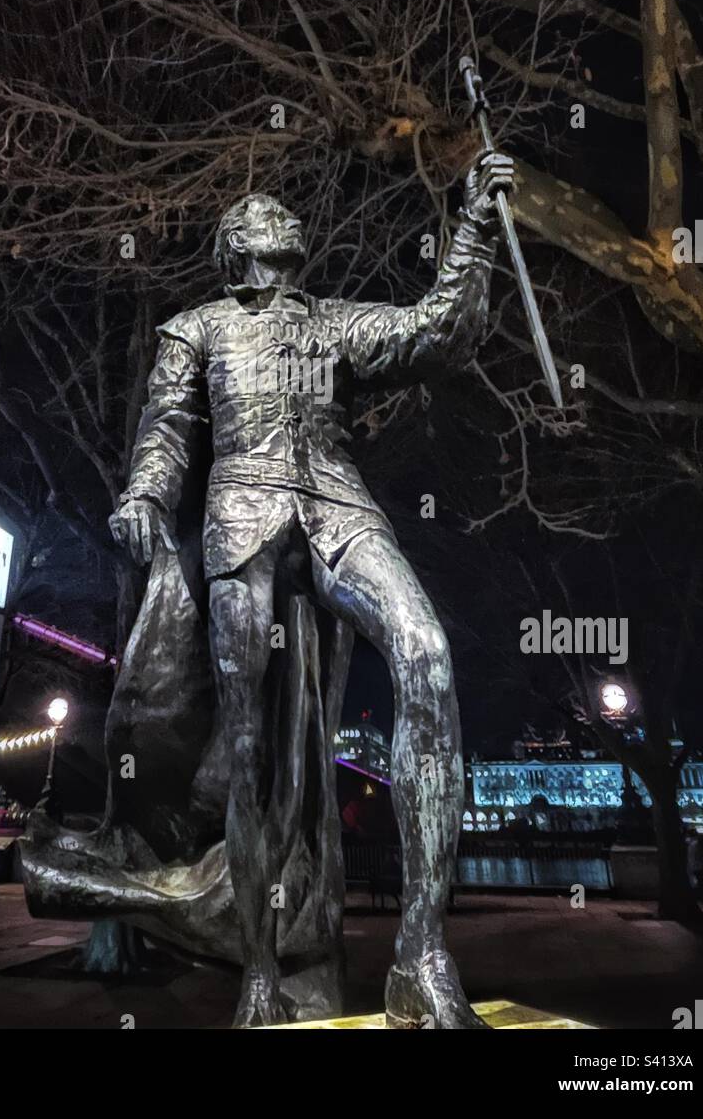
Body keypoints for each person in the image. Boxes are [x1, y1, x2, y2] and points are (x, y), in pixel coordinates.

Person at [110, 150, 512, 1027]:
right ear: (235, 248)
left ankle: (421, 956)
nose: (283, 215)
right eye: (261, 212)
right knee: (248, 747)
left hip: (336, 504)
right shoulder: (198, 327)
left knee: (428, 654)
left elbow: (436, 331)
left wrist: (475, 225)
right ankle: (258, 969)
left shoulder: (334, 324)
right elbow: (167, 425)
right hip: (242, 513)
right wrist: (146, 493)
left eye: (285, 210)